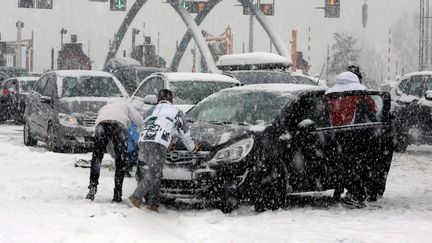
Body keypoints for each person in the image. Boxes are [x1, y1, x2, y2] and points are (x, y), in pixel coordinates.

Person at [127, 89, 200, 212]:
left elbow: (147, 126)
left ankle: (153, 203)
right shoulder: (177, 111)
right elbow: (184, 133)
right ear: (172, 100)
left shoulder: (149, 111)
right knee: (155, 172)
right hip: (158, 143)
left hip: (144, 142)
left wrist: (167, 141)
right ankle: (136, 197)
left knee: (155, 172)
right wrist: (193, 148)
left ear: (157, 99)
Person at [325, 71, 376, 209]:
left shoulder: (330, 97)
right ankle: (356, 193)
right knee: (357, 166)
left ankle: (340, 190)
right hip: (358, 135)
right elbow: (373, 112)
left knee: (342, 163)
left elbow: (325, 114)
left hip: (335, 136)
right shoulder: (360, 96)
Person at [86, 101, 143, 202]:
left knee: (97, 157)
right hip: (119, 125)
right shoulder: (126, 105)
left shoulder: (104, 107)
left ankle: (92, 187)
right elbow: (139, 120)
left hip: (101, 125)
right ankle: (117, 194)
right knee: (120, 161)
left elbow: (98, 121)